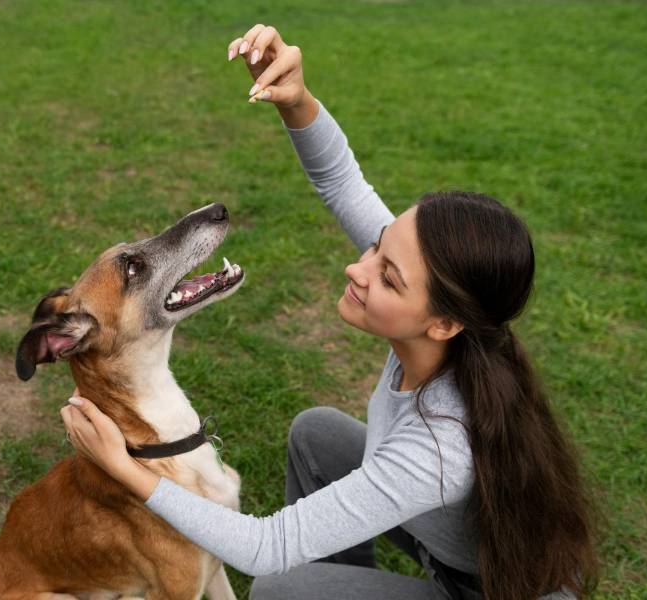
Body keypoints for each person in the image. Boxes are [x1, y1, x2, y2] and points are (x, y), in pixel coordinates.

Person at [60, 24, 599, 600]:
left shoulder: (439, 447)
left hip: (480, 591)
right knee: (316, 435)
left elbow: (265, 546)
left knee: (278, 587)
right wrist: (297, 97)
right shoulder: (446, 314)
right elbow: (341, 180)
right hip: (442, 544)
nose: (357, 268)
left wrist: (126, 469)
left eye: (386, 275)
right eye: (379, 244)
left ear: (442, 323)